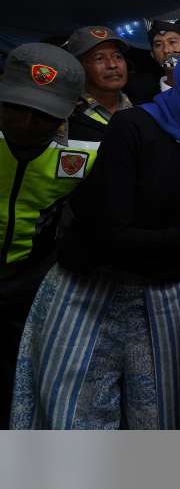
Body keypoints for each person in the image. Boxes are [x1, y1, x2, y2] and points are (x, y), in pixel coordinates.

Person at [10, 0, 180, 429]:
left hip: (163, 295)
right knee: (78, 423)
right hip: (87, 290)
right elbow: (107, 235)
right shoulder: (134, 128)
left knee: (162, 422)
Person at [0, 43, 100, 429]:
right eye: (14, 108)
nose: (25, 124)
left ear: (71, 110)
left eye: (41, 116)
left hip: (34, 291)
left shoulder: (89, 152)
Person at [65, 26, 133, 143]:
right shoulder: (66, 115)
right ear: (79, 67)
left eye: (117, 56)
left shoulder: (143, 106)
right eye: (99, 58)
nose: (112, 64)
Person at [147, 16, 180, 95]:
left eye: (172, 42)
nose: (166, 50)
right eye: (158, 45)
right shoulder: (148, 100)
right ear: (152, 54)